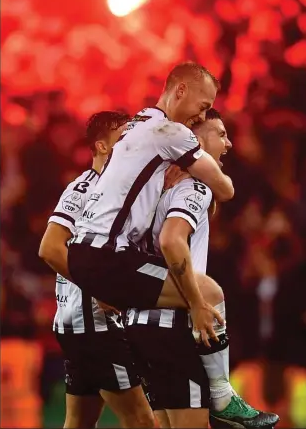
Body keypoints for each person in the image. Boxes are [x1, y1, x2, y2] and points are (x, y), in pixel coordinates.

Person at [125, 109, 280, 429]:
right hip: (174, 325)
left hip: (139, 324)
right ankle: (223, 395)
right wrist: (196, 303)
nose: (229, 143)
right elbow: (172, 241)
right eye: (221, 134)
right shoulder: (193, 187)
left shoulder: (147, 186)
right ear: (194, 141)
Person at [68, 61, 234, 348]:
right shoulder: (172, 133)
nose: (202, 115)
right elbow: (225, 188)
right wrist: (195, 305)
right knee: (207, 291)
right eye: (203, 105)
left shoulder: (138, 123)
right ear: (181, 90)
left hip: (85, 252)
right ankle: (220, 388)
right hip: (107, 256)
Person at [39, 111, 155, 429]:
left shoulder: (119, 189)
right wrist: (99, 287)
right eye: (123, 139)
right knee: (142, 420)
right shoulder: (86, 188)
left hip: (81, 324)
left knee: (79, 421)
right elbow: (49, 248)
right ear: (102, 147)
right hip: (93, 324)